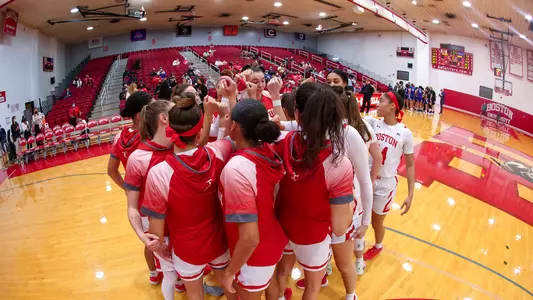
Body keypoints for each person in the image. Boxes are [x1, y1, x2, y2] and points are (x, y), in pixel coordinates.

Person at [274, 83, 357, 300]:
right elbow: (340, 227)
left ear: (297, 114)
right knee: (311, 287)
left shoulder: (281, 143)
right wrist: (351, 203)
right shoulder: (339, 164)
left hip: (281, 225)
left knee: (281, 272)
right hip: (312, 235)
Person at [218, 99, 287, 300]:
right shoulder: (267, 149)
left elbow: (249, 237)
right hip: (273, 238)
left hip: (254, 253)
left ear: (234, 126)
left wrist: (229, 273)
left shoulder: (237, 168)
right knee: (270, 282)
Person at [363, 91, 415, 262]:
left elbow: (410, 165)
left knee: (376, 222)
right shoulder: (372, 123)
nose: (377, 104)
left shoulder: (405, 133)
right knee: (359, 217)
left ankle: (378, 245)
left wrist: (410, 195)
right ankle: (358, 244)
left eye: (382, 101)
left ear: (392, 106)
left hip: (385, 185)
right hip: (366, 179)